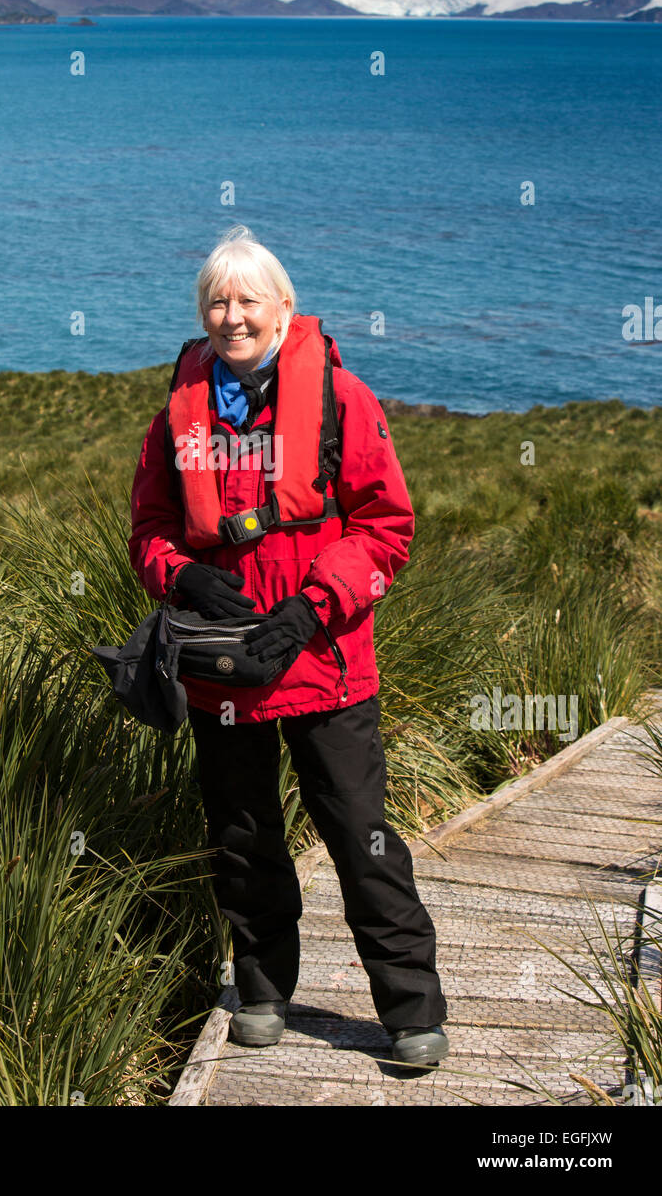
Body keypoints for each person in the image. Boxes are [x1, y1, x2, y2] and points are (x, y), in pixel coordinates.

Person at [127, 224, 449, 1066]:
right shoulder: (178, 413)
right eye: (216, 302)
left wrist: (313, 607)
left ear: (284, 308)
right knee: (241, 835)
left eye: (247, 301)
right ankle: (263, 989)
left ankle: (412, 1009)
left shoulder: (345, 401)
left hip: (324, 663)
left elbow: (388, 530)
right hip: (221, 670)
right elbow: (150, 532)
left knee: (361, 837)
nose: (231, 317)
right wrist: (181, 578)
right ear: (204, 314)